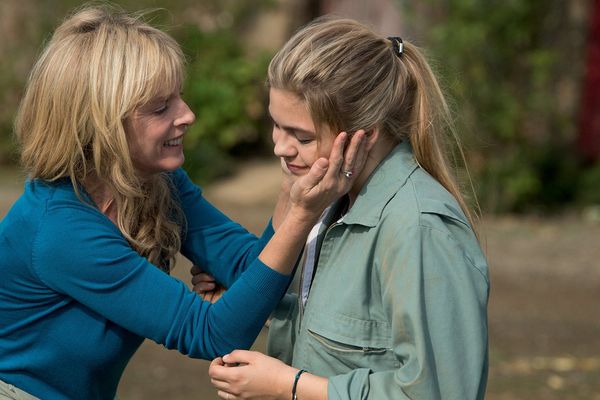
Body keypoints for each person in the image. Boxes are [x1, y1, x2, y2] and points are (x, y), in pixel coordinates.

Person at [0, 6, 367, 400]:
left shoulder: (157, 181)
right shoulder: (60, 230)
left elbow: (251, 269)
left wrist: (288, 193)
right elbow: (213, 333)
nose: (188, 115)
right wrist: (300, 216)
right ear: (100, 126)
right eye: (160, 108)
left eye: (178, 97)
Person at [197, 15, 490, 400]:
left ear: (363, 136)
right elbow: (356, 334)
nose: (280, 148)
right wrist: (251, 305)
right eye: (276, 124)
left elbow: (438, 391)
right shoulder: (336, 200)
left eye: (301, 136)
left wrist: (289, 385)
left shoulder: (419, 228)